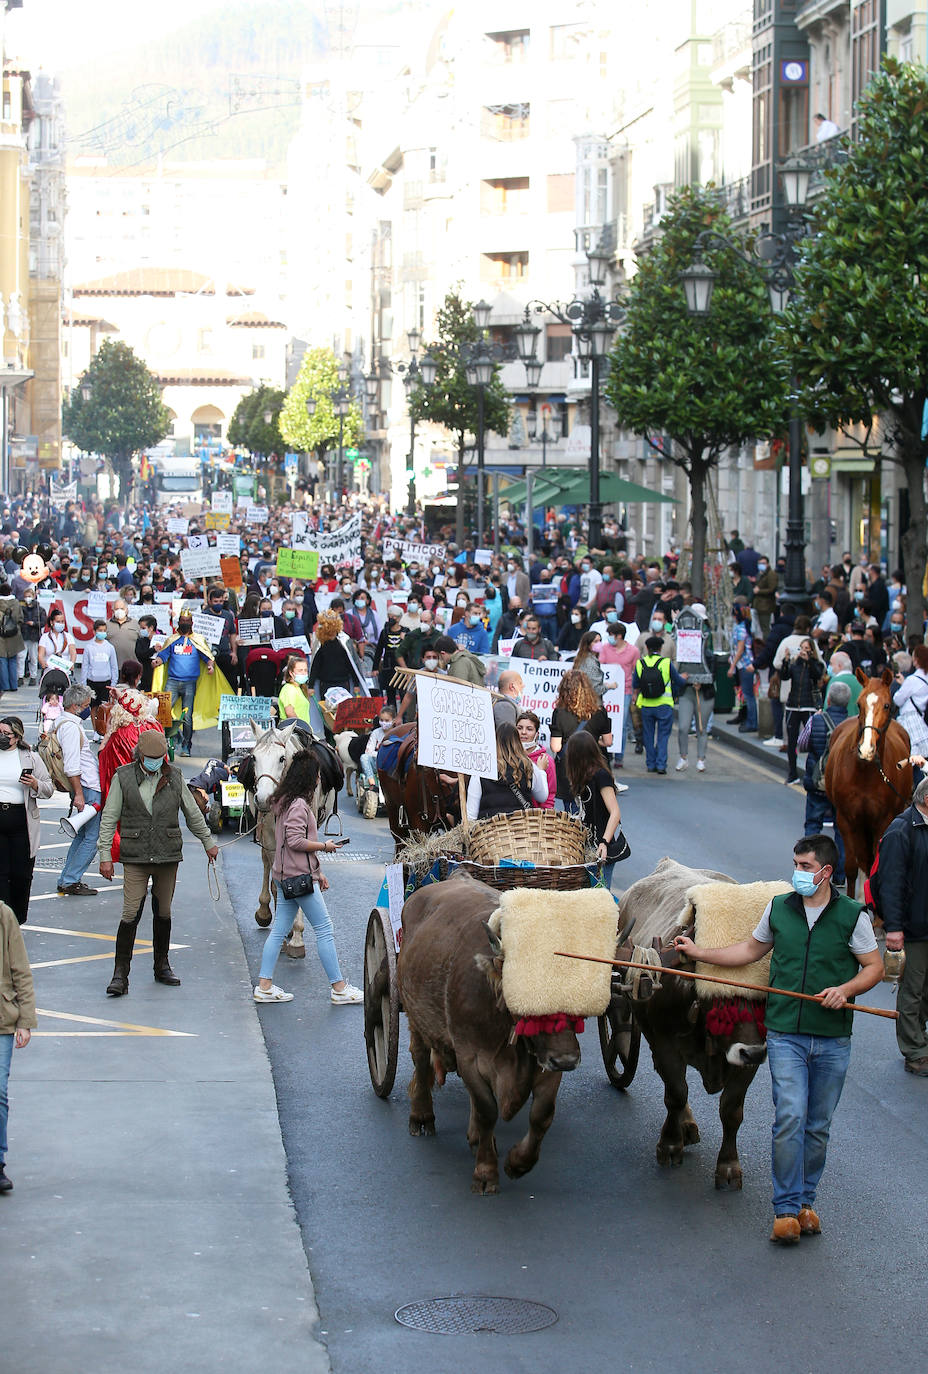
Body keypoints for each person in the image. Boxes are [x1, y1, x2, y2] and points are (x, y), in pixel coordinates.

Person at [674, 833, 882, 1245]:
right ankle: (785, 1209)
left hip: (832, 1039)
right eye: (795, 865)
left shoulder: (852, 916)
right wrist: (700, 953)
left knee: (817, 1127)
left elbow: (873, 967)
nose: (797, 874)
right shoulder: (779, 909)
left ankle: (807, 1202)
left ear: (825, 872)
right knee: (789, 1117)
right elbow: (750, 950)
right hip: (786, 1034)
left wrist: (847, 990)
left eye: (804, 867)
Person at [98, 731, 219, 996]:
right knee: (130, 913)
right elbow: (109, 817)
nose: (155, 762)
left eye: (159, 757)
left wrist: (208, 842)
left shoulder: (174, 776)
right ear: (140, 755)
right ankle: (120, 974)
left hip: (167, 855)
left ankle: (162, 965)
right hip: (136, 856)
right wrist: (105, 855)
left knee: (163, 911)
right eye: (150, 758)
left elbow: (192, 813)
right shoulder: (123, 776)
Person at [256, 749, 362, 1005]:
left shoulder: (282, 802)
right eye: (316, 775)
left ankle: (264, 985)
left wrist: (319, 872)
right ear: (308, 778)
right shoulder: (299, 806)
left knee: (279, 930)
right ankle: (338, 988)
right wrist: (325, 847)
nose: (319, 780)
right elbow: (295, 841)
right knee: (325, 930)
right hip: (299, 879)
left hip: (284, 876)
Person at [874, 776, 928, 1076]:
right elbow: (890, 883)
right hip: (914, 928)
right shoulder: (901, 830)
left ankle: (920, 1038)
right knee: (913, 991)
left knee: (925, 992)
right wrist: (893, 928)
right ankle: (915, 1052)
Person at [0, 716, 53, 924]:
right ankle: (3, 921)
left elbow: (49, 788)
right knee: (1, 874)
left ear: (17, 736)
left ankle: (18, 919)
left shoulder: (30, 757)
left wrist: (34, 784)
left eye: (7, 734)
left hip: (22, 822)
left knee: (21, 875)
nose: (2, 737)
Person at [0, 897, 36, 1193]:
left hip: (2, 1019)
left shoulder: (4, 915)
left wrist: (25, 1020)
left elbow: (20, 969)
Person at [54, 684, 103, 897]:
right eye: (85, 706)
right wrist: (80, 794)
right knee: (92, 838)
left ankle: (67, 878)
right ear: (75, 706)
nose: (87, 710)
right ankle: (71, 879)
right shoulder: (71, 728)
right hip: (88, 787)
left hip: (84, 787)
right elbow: (72, 765)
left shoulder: (61, 723)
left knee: (82, 835)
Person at [801, 681, 849, 885]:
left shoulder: (816, 719)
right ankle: (839, 876)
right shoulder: (851, 724)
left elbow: (802, 744)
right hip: (839, 786)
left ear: (829, 699)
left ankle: (809, 871)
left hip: (817, 783)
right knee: (841, 831)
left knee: (813, 825)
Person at [564, 730, 624, 889]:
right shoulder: (582, 777)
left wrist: (604, 842)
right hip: (586, 846)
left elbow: (615, 812)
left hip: (601, 848)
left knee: (601, 896)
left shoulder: (601, 775)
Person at [152, 611, 216, 757]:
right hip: (172, 681)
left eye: (188, 620)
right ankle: (165, 742)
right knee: (164, 713)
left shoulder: (198, 640)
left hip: (189, 683)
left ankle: (186, 745)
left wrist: (210, 666)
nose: (185, 623)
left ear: (192, 623)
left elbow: (207, 656)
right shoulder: (172, 639)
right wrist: (157, 662)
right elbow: (163, 655)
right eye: (183, 620)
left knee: (187, 717)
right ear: (178, 622)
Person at [549, 670, 613, 803]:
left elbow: (555, 747)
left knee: (572, 813)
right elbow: (608, 741)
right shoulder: (600, 711)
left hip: (569, 768)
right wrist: (594, 741)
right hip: (593, 766)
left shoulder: (559, 713)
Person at [465, 721, 548, 820]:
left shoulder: (482, 769)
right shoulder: (529, 766)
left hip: (491, 830)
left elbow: (471, 815)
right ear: (518, 741)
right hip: (522, 829)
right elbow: (542, 797)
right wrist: (542, 772)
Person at [634, 635, 687, 775]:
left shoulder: (640, 663)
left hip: (646, 705)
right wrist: (684, 678)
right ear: (661, 648)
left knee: (648, 735)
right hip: (664, 704)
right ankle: (661, 765)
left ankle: (650, 764)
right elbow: (679, 682)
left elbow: (635, 684)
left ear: (646, 648)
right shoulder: (666, 663)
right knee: (663, 736)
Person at [780, 637, 825, 784]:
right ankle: (792, 773)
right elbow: (784, 676)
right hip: (793, 705)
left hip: (809, 706)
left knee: (812, 741)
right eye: (801, 648)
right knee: (792, 742)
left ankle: (812, 773)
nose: (803, 651)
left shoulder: (816, 664)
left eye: (806, 648)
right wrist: (786, 660)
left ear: (812, 650)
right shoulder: (794, 664)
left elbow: (817, 675)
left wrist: (809, 661)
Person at [599, 622, 639, 768]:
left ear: (619, 636)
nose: (609, 638)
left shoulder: (633, 651)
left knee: (621, 725)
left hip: (625, 691)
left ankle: (619, 756)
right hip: (607, 691)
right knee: (605, 723)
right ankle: (607, 752)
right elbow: (601, 666)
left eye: (611, 635)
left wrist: (635, 692)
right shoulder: (605, 648)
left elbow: (636, 672)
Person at [308, 610, 357, 697]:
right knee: (327, 709)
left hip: (343, 683)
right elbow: (315, 665)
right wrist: (311, 685)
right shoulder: (320, 644)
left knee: (343, 709)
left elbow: (351, 663)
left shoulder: (344, 641)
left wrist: (356, 684)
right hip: (325, 684)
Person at [516, 711, 556, 809]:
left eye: (529, 729)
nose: (523, 732)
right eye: (519, 728)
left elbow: (549, 796)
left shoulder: (546, 760)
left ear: (537, 734)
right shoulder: (509, 755)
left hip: (534, 819)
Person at [728, 603, 757, 733]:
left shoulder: (740, 629)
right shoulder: (745, 627)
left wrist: (732, 666)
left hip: (744, 665)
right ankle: (750, 720)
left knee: (748, 695)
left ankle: (752, 722)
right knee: (747, 694)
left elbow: (740, 650)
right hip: (745, 664)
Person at [81, 619, 119, 706]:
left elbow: (114, 666)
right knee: (93, 706)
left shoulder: (110, 647)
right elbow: (85, 666)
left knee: (105, 706)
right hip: (92, 682)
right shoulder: (89, 647)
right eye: (100, 630)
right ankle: (94, 720)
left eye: (104, 631)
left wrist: (113, 683)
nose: (102, 633)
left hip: (106, 682)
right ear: (94, 632)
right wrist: (84, 684)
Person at [38, 606, 77, 680]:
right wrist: (42, 662)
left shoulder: (68, 637)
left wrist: (72, 663)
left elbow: (73, 652)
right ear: (52, 622)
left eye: (62, 622)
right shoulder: (45, 637)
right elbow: (40, 654)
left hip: (65, 672)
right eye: (58, 622)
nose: (61, 624)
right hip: (49, 672)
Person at [0, 583, 23, 696]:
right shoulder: (16, 603)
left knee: (2, 660)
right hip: (14, 634)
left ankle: (5, 686)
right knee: (13, 660)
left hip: (1, 636)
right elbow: (20, 618)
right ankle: (14, 685)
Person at [278, 653, 312, 723]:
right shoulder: (289, 689)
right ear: (291, 672)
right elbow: (290, 713)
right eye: (300, 670)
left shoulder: (299, 688)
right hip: (294, 731)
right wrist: (301, 727)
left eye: (305, 670)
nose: (303, 673)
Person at [573, 630, 605, 699]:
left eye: (600, 641)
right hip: (590, 701)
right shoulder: (590, 662)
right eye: (595, 641)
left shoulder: (583, 658)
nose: (599, 644)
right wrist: (608, 686)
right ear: (588, 644)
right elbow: (595, 689)